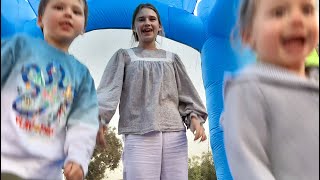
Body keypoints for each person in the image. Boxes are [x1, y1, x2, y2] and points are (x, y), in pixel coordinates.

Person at [96, 3, 207, 180]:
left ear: (159, 26)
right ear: (134, 27)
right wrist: (100, 120)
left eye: (152, 19)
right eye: (141, 19)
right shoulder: (124, 56)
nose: (147, 22)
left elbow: (187, 94)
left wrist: (195, 121)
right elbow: (108, 91)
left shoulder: (172, 59)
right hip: (139, 133)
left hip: (174, 135)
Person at [220, 0, 319, 179]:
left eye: (307, 10)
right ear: (248, 35)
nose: (298, 19)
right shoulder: (247, 90)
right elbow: (248, 165)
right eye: (279, 12)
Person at [1, 0, 99, 179]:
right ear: (40, 20)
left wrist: (77, 159)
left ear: (83, 27)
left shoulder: (81, 75)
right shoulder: (19, 47)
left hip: (47, 170)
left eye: (76, 12)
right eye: (59, 7)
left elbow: (83, 124)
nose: (68, 13)